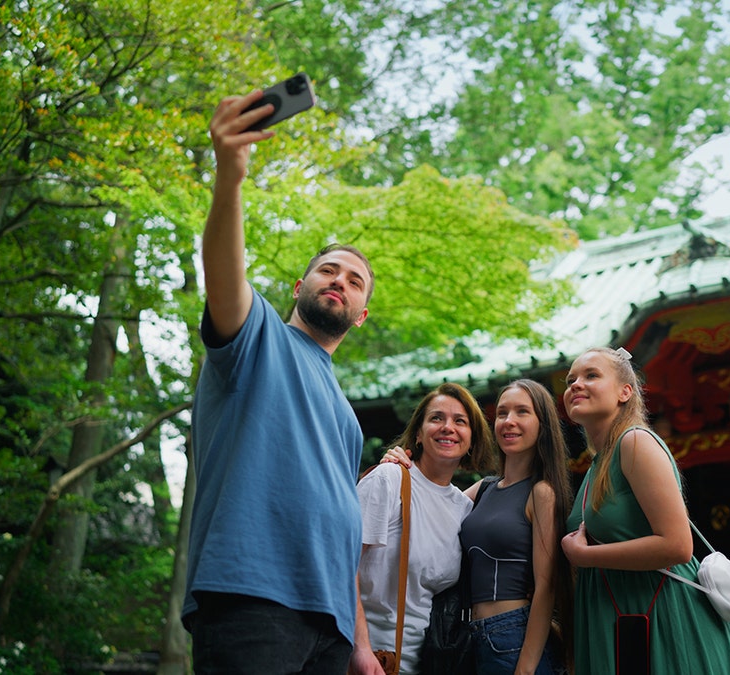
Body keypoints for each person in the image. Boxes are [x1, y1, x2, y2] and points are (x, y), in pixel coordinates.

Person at [184, 89, 375, 674]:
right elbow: (224, 273)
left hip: (331, 625)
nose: (339, 280)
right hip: (250, 595)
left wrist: (360, 642)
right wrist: (229, 179)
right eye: (327, 270)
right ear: (300, 287)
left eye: (355, 280)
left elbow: (345, 523)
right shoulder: (257, 335)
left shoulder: (345, 412)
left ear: (361, 314)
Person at [560, 347, 730, 674]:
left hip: (664, 617)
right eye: (571, 379)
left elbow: (677, 545)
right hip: (619, 618)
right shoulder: (597, 464)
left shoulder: (635, 442)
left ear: (624, 392)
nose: (575, 384)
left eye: (591, 375)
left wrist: (584, 556)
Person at [387, 379, 575, 674]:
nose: (509, 422)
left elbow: (546, 586)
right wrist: (400, 461)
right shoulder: (485, 489)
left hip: (514, 636)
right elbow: (431, 506)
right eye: (502, 413)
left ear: (543, 425)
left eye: (522, 412)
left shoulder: (542, 493)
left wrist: (525, 668)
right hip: (470, 637)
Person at [350, 382, 497, 675]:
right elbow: (341, 564)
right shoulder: (390, 480)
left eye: (460, 421)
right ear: (418, 433)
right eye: (436, 418)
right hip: (373, 659)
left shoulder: (463, 510)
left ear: (472, 438)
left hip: (430, 661)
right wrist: (361, 649)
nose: (448, 427)